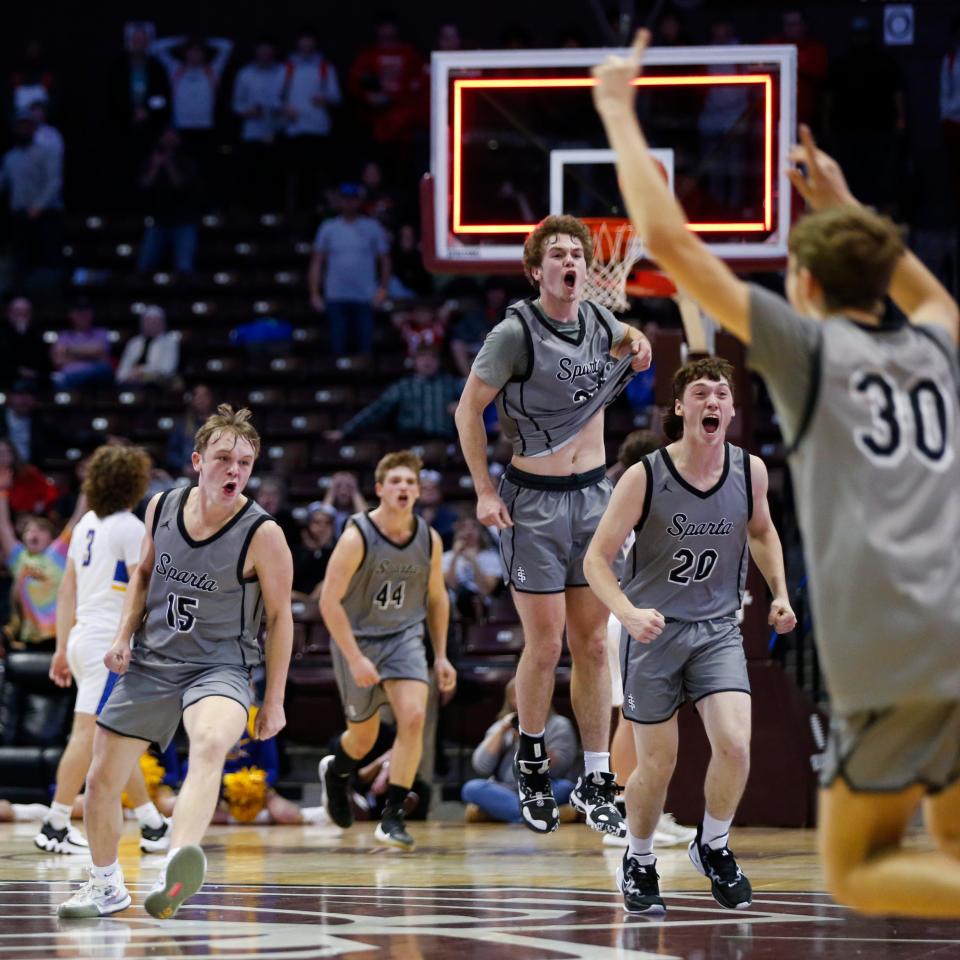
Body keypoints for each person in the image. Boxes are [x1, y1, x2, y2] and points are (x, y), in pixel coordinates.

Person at [593, 31, 960, 919]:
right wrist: (844, 204)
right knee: (942, 845)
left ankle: (707, 843)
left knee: (853, 865)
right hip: (949, 624)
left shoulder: (814, 354)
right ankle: (647, 851)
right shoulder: (940, 341)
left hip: (882, 648)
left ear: (800, 287)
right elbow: (931, 295)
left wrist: (615, 109)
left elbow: (674, 245)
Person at [454, 214, 652, 836]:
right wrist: (484, 491)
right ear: (537, 270)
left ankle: (597, 776)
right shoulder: (514, 333)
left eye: (577, 254)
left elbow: (631, 339)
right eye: (558, 254)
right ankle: (532, 758)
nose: (570, 262)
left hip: (592, 497)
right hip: (532, 501)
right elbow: (468, 411)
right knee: (544, 645)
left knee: (594, 645)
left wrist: (640, 342)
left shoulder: (597, 320)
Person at [57, 405, 294, 919]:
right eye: (224, 458)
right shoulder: (161, 506)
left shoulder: (264, 534)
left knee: (209, 743)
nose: (235, 470)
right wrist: (123, 638)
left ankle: (175, 868)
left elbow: (280, 619)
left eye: (245, 463)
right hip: (152, 662)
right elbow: (141, 575)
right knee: (100, 780)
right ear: (197, 460)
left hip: (220, 667)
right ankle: (105, 886)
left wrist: (272, 699)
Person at [585, 356, 796, 912]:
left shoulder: (749, 471)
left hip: (716, 631)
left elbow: (763, 531)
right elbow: (596, 561)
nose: (712, 402)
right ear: (679, 408)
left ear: (731, 408)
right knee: (657, 766)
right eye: (700, 393)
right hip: (653, 634)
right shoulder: (644, 475)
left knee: (735, 744)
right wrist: (628, 612)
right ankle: (639, 855)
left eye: (721, 394)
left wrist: (779, 592)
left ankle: (715, 844)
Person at [318, 450, 456, 851]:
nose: (404, 488)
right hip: (356, 639)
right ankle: (337, 772)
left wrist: (442, 654)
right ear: (379, 489)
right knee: (363, 738)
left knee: (413, 717)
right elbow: (328, 601)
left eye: (411, 482)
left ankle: (392, 816)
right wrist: (356, 658)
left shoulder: (428, 538)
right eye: (396, 481)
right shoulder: (356, 535)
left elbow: (437, 598)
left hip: (404, 639)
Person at [38, 445, 169, 856]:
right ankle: (55, 823)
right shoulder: (130, 528)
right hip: (106, 643)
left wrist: (61, 648)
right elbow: (140, 586)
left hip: (82, 638)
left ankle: (151, 823)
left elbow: (65, 592)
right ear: (134, 482)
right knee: (88, 734)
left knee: (118, 735)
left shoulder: (84, 525)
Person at [462, 677, 578, 823]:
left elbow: (560, 766)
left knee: (567, 788)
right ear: (509, 700)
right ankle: (536, 815)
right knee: (471, 788)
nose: (525, 701)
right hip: (505, 789)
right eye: (518, 696)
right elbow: (481, 765)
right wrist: (502, 731)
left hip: (543, 787)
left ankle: (507, 813)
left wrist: (529, 739)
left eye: (530, 694)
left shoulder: (559, 725)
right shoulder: (504, 725)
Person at [308, 182, 392, 356]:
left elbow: (385, 260)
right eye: (345, 199)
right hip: (336, 296)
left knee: (365, 349)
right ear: (339, 201)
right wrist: (315, 293)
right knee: (337, 347)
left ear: (358, 201)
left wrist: (383, 290)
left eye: (352, 199)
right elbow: (317, 262)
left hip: (365, 297)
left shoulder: (372, 227)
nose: (349, 203)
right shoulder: (328, 228)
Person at [327, 348, 463, 443]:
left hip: (442, 444)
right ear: (414, 361)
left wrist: (463, 406)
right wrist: (345, 431)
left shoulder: (451, 384)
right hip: (408, 442)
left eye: (432, 357)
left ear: (439, 362)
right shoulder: (402, 386)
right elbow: (377, 409)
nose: (427, 361)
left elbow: (479, 398)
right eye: (422, 357)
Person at [116, 305, 180, 387]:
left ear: (162, 323)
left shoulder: (170, 342)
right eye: (148, 321)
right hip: (132, 380)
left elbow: (167, 369)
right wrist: (125, 377)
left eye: (154, 321)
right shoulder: (134, 342)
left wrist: (142, 370)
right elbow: (123, 367)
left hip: (157, 382)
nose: (151, 324)